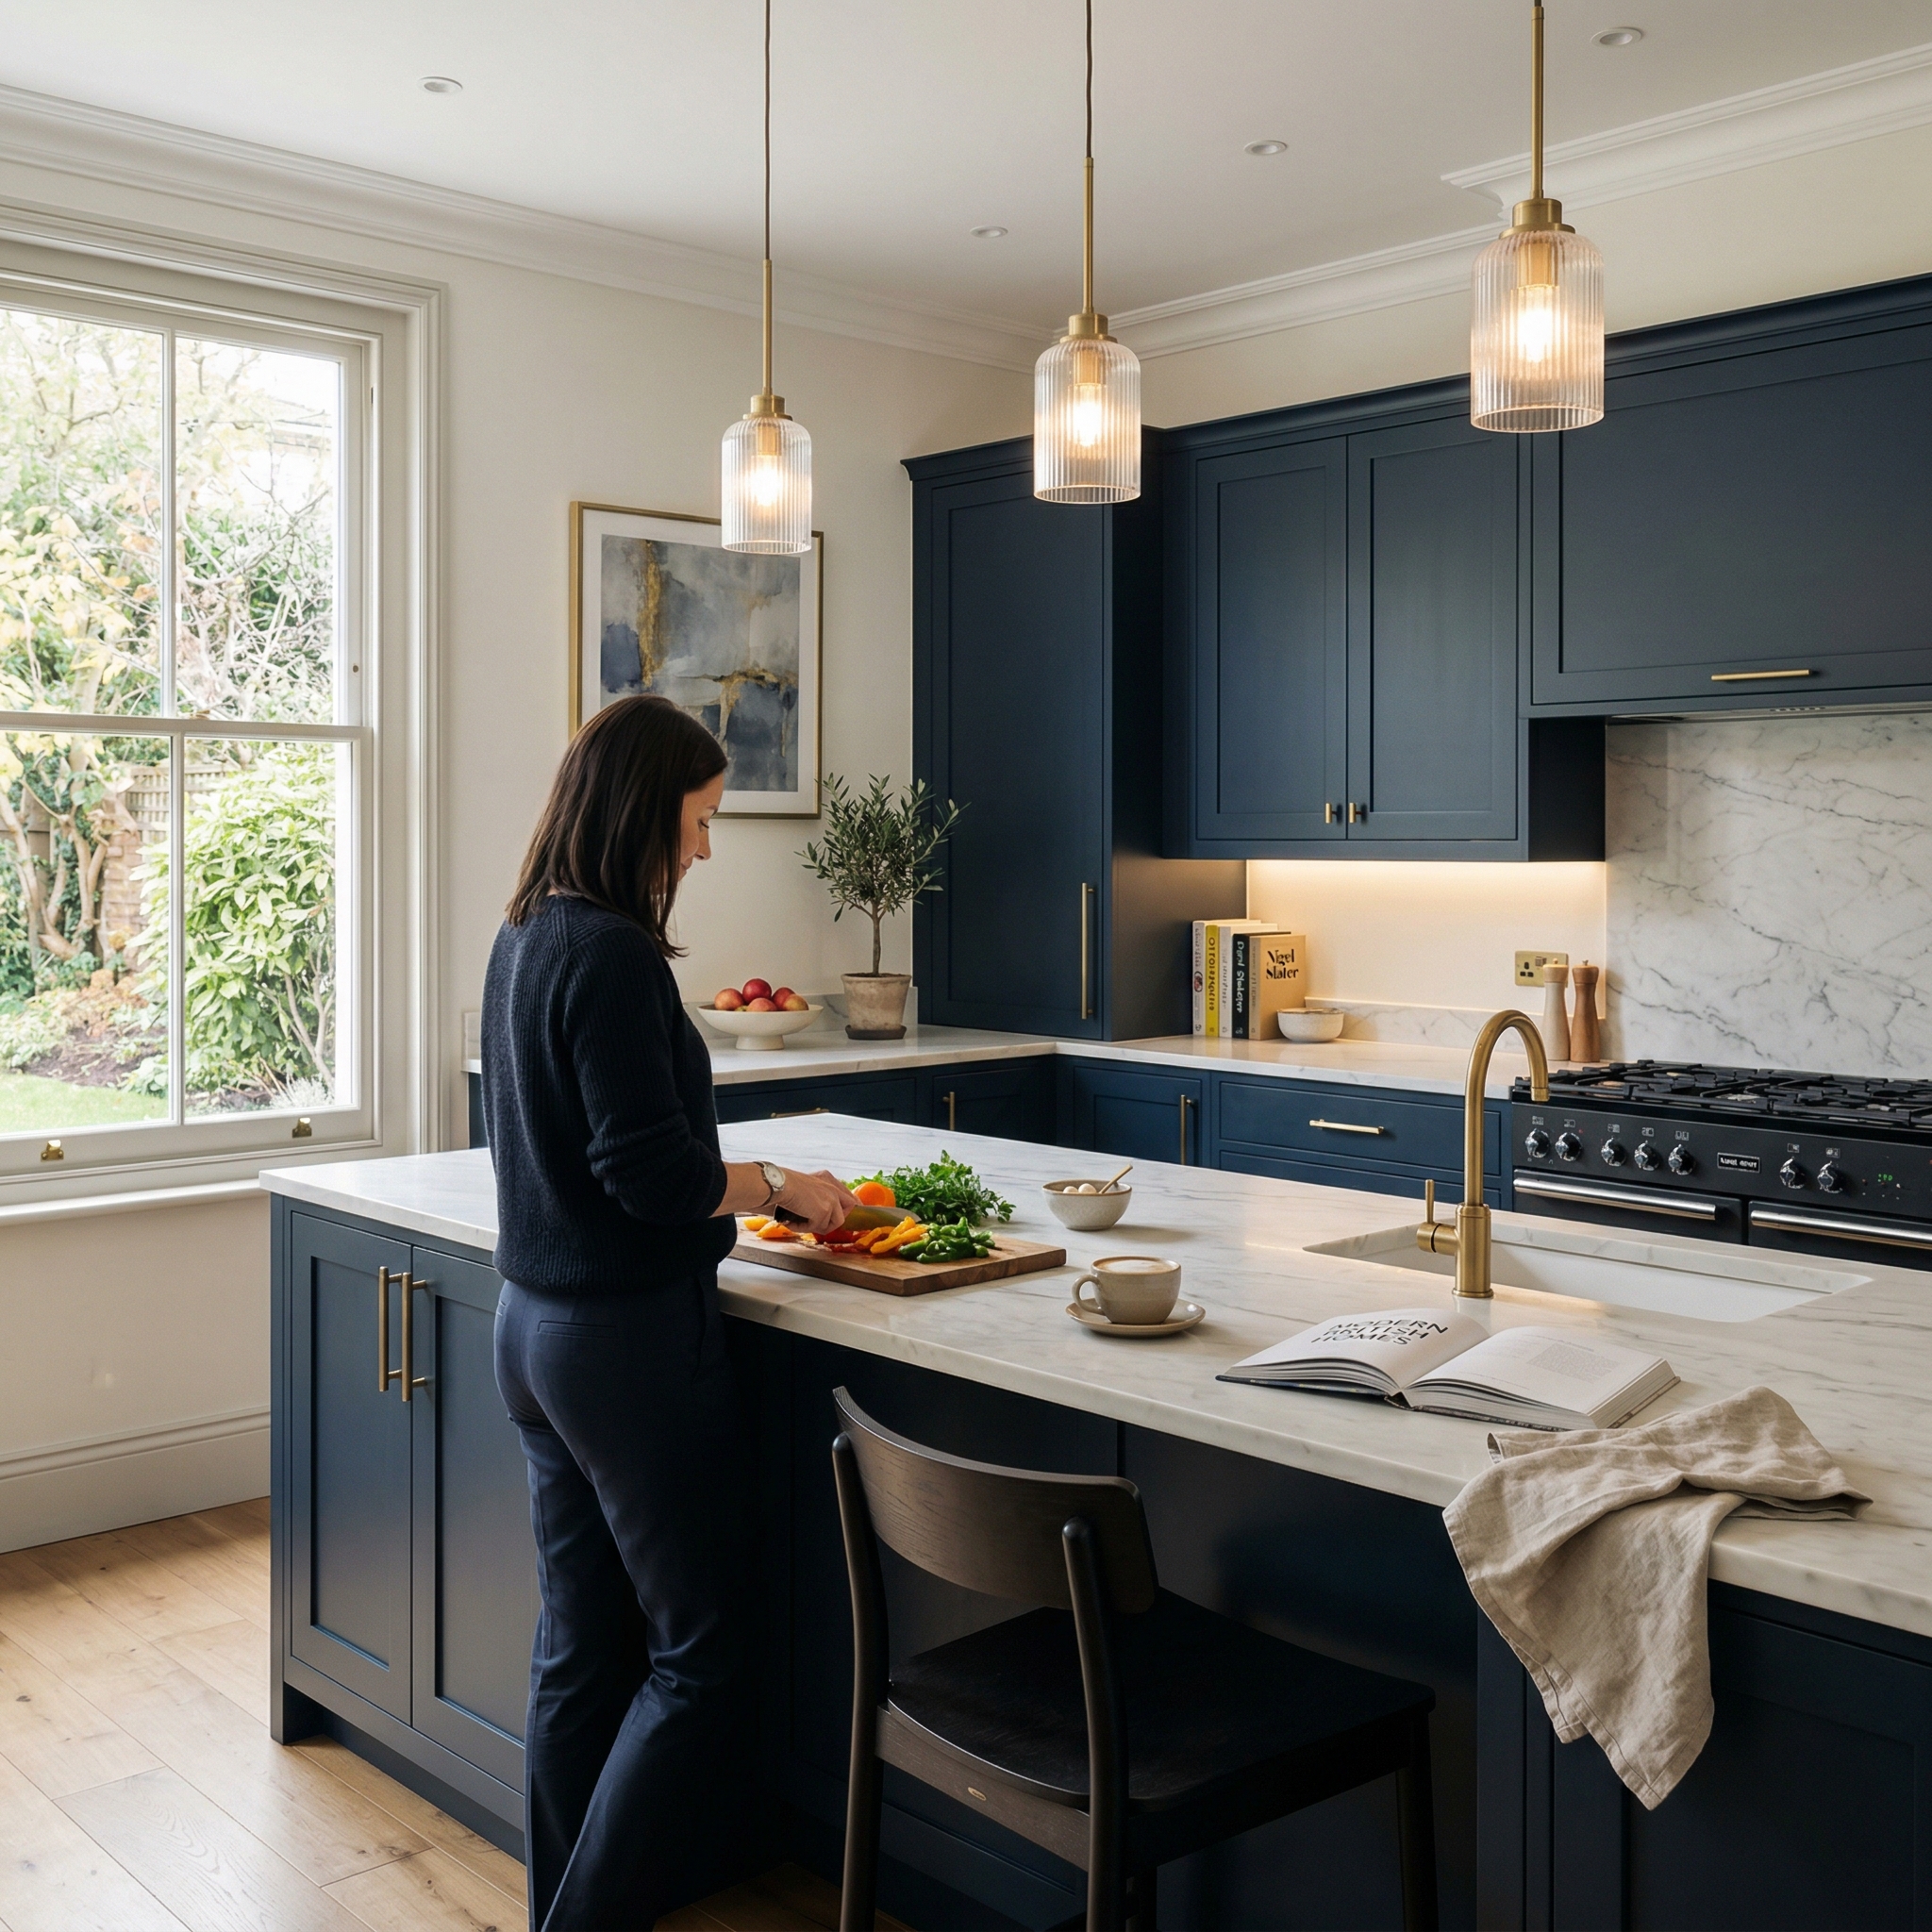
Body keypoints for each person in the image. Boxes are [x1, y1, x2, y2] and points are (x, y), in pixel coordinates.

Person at [483, 694, 858, 1930]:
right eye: (697, 820)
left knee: (583, 1648)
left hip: (534, 1331)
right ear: (645, 809)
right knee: (699, 1661)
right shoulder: (613, 953)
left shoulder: (527, 932)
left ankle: (557, 1907)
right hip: (624, 1347)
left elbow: (600, 1147)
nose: (701, 850)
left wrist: (731, 1179)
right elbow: (653, 1176)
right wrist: (779, 1190)